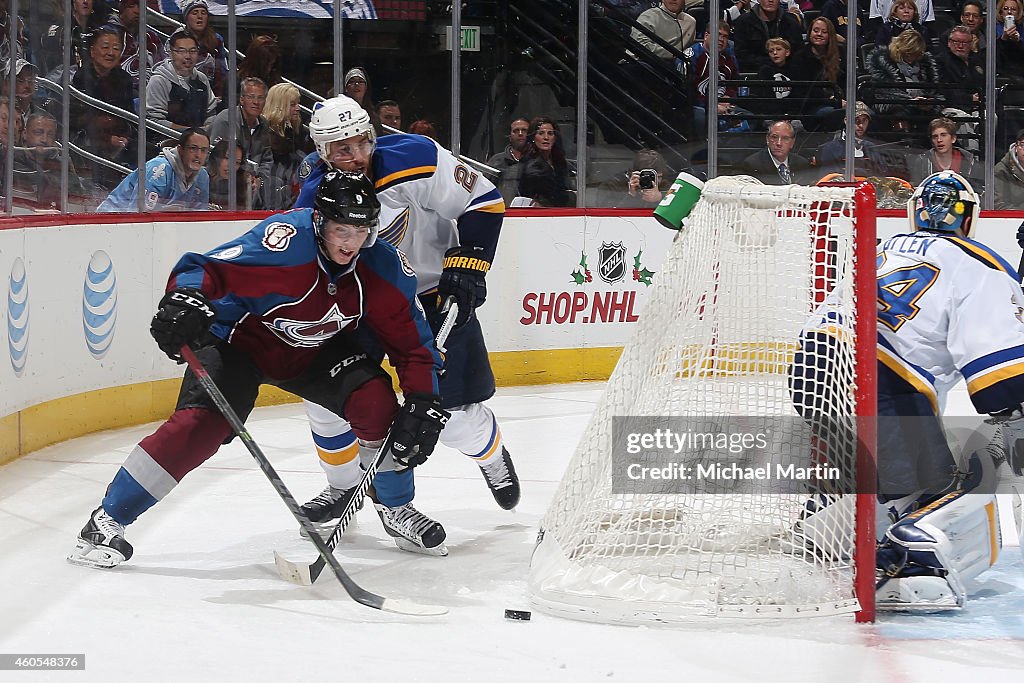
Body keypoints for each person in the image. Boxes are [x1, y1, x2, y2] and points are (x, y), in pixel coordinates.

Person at [68, 170, 447, 569]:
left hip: (316, 351)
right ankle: (107, 519)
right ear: (319, 221)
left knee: (381, 408)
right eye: (341, 230)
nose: (351, 242)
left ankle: (395, 506)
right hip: (241, 345)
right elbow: (206, 269)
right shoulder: (284, 245)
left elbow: (413, 345)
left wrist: (424, 397)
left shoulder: (383, 269)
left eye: (361, 230)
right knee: (200, 427)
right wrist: (185, 299)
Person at [292, 96, 520, 554]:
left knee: (451, 417)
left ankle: (491, 455)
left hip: (435, 296)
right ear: (322, 152)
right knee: (326, 399)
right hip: (366, 305)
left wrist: (470, 260)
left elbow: (484, 201)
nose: (354, 155)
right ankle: (344, 488)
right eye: (340, 149)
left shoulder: (413, 156)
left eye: (359, 142)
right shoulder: (314, 195)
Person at [793, 170, 1012, 610]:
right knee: (986, 465)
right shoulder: (979, 263)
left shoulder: (879, 248)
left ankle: (826, 524)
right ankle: (915, 564)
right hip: (886, 380)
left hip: (811, 367)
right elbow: (1000, 388)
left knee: (902, 468)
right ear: (967, 219)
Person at [97, 127, 211, 212]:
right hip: (110, 223)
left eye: (204, 150)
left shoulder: (202, 176)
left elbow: (199, 215)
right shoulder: (159, 170)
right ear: (180, 150)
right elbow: (139, 214)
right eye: (193, 148)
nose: (198, 155)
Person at [205, 77, 272, 208]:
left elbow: (267, 160)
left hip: (249, 182)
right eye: (251, 97)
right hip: (222, 180)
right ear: (241, 99)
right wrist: (247, 175)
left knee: (276, 183)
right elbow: (216, 159)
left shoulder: (264, 124)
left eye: (260, 98)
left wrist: (260, 179)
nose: (256, 102)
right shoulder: (226, 121)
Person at [864, 29, 941, 137]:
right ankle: (904, 145)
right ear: (900, 50)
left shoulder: (925, 66)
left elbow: (934, 91)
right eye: (908, 54)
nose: (911, 58)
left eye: (915, 54)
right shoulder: (884, 66)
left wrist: (928, 102)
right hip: (897, 108)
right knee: (900, 114)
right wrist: (909, 101)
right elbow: (883, 95)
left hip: (921, 108)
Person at [148, 30, 217, 134]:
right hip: (166, 139)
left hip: (201, 139)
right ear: (170, 53)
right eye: (181, 51)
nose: (188, 56)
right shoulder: (159, 80)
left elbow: (211, 113)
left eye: (192, 51)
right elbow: (154, 121)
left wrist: (207, 129)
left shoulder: (202, 78)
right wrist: (190, 133)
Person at [686, 25, 751, 134]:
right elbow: (689, 89)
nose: (721, 39)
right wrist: (712, 105)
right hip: (699, 105)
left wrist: (727, 98)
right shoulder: (692, 55)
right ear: (706, 35)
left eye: (725, 36)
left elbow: (734, 83)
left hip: (724, 105)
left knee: (752, 119)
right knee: (703, 118)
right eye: (718, 34)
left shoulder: (729, 57)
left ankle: (726, 138)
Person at [262, 82, 307, 210]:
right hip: (274, 178)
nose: (298, 108)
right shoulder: (266, 129)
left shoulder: (298, 129)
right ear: (280, 106)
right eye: (293, 105)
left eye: (298, 104)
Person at [815, 101, 889, 176]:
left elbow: (881, 175)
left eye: (864, 120)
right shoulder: (831, 149)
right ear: (846, 121)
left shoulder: (872, 148)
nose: (861, 125)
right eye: (856, 120)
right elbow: (828, 179)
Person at [731, 0, 805, 72]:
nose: (770, 0)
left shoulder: (790, 21)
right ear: (758, 0)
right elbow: (742, 54)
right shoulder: (743, 22)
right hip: (755, 73)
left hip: (787, 72)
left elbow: (799, 51)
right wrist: (770, 64)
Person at [110, 0, 166, 95]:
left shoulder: (152, 39)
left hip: (151, 93)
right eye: (131, 6)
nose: (137, 11)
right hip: (119, 91)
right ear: (121, 9)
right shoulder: (108, 35)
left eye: (140, 7)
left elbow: (163, 66)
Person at [518, 116, 575, 207]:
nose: (546, 137)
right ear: (533, 137)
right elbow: (551, 195)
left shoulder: (559, 162)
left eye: (550, 133)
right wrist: (571, 196)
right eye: (541, 133)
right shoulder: (530, 165)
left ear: (555, 138)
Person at [179, 0, 228, 106]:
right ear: (187, 18)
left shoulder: (216, 39)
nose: (200, 16)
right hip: (182, 94)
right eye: (195, 13)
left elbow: (222, 71)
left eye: (203, 13)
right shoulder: (177, 39)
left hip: (211, 95)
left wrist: (220, 95)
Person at [909, 117, 979, 186]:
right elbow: (917, 189)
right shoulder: (922, 161)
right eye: (935, 136)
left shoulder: (969, 160)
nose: (939, 140)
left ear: (953, 139)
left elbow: (976, 189)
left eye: (943, 135)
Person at [740, 119, 810, 184]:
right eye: (774, 137)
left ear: (792, 143)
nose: (779, 143)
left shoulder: (802, 164)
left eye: (785, 138)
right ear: (767, 139)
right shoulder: (753, 165)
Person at [629, 0, 697, 62]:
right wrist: (673, 54)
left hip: (674, 66)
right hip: (640, 62)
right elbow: (639, 45)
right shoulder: (648, 16)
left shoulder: (691, 22)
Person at [485, 117, 529, 203]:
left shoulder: (536, 160)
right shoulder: (497, 161)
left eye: (524, 130)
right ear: (510, 136)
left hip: (535, 215)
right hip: (506, 214)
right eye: (516, 131)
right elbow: (485, 190)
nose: (520, 134)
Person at [206, 139, 251, 210]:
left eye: (237, 162)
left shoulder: (242, 185)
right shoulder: (201, 179)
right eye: (227, 158)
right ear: (216, 157)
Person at [993, 128, 1024, 209]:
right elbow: (999, 206)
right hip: (1012, 220)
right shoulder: (1001, 171)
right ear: (1016, 147)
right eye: (1023, 145)